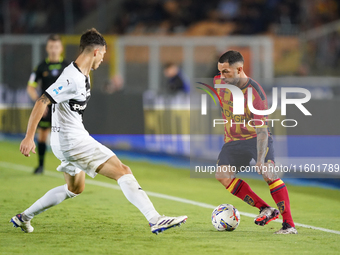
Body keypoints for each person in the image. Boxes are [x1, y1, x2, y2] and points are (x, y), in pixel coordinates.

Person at [10, 28, 187, 234]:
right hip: (73, 141)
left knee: (74, 188)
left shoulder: (84, 74)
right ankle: (155, 219)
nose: (103, 59)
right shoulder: (71, 78)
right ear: (95, 52)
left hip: (64, 141)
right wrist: (29, 137)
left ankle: (24, 217)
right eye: (103, 54)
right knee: (123, 171)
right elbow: (42, 100)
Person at [214, 50, 297, 234]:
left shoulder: (256, 95)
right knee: (222, 175)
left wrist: (260, 160)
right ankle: (265, 209)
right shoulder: (219, 82)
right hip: (233, 141)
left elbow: (261, 132)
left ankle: (289, 225)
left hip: (256, 139)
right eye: (219, 71)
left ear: (240, 69)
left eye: (225, 72)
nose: (221, 76)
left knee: (268, 173)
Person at [27, 34, 68, 174]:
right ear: (47, 48)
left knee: (66, 137)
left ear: (61, 48)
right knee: (43, 135)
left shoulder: (67, 67)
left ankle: (69, 167)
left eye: (56, 47)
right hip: (46, 108)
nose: (53, 50)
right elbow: (30, 87)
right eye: (51, 47)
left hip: (63, 109)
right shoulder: (41, 67)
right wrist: (39, 103)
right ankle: (40, 166)